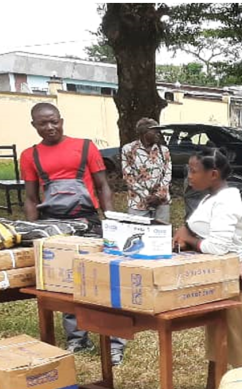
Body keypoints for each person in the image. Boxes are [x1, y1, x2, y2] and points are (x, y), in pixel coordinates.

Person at [21, 102, 127, 366]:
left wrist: (110, 220)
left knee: (102, 280)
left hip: (88, 222)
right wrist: (34, 232)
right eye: (43, 123)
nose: (50, 127)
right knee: (65, 283)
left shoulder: (85, 147)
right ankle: (77, 339)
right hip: (54, 225)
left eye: (54, 121)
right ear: (34, 126)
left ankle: (114, 342)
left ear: (61, 120)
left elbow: (103, 186)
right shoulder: (29, 155)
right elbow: (31, 197)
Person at [172, 149, 242, 389]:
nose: (189, 177)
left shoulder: (227, 200)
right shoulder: (210, 197)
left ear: (213, 174)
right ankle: (213, 388)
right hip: (220, 278)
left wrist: (190, 240)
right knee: (218, 334)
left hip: (238, 279)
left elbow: (218, 246)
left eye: (194, 171)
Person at [121, 117, 172, 222]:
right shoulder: (129, 149)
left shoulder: (163, 150)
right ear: (144, 133)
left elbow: (167, 174)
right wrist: (146, 196)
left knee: (160, 233)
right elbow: (128, 177)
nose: (158, 133)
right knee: (139, 233)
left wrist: (158, 196)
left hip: (161, 201)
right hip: (138, 201)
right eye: (155, 131)